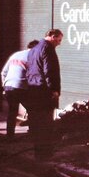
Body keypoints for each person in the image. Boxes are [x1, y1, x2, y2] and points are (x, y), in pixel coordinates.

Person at [25, 29, 63, 161]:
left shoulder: (34, 49)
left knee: (37, 123)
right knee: (46, 124)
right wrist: (54, 90)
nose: (59, 43)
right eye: (58, 40)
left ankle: (38, 153)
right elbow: (50, 71)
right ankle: (45, 154)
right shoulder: (48, 49)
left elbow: (29, 70)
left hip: (33, 90)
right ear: (52, 36)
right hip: (44, 92)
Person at [0, 40, 39, 138]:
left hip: (8, 86)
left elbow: (3, 72)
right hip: (20, 87)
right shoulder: (33, 57)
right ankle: (33, 133)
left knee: (12, 111)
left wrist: (4, 87)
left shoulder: (15, 55)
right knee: (33, 109)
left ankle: (10, 136)